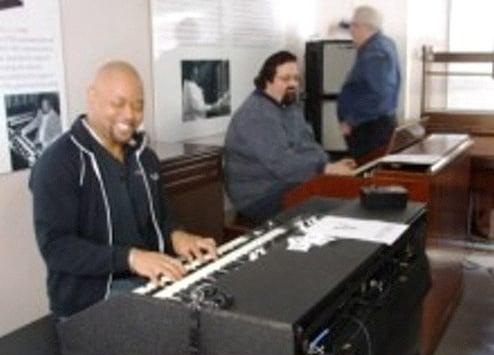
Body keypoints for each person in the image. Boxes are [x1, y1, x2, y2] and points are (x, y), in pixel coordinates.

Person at [29, 61, 217, 319]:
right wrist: (130, 258)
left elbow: (162, 217)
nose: (129, 115)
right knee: (189, 325)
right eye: (118, 104)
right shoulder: (57, 163)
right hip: (90, 300)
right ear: (91, 97)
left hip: (147, 280)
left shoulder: (145, 156)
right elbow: (57, 248)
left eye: (138, 105)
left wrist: (177, 236)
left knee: (213, 308)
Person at [224, 51, 355, 223]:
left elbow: (309, 144)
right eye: (285, 79)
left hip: (285, 184)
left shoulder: (289, 106)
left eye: (296, 78)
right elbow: (282, 163)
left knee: (346, 197)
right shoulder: (256, 115)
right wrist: (325, 169)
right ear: (267, 81)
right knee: (337, 208)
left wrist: (328, 165)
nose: (293, 84)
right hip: (259, 196)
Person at [337, 5, 401, 161]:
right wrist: (341, 25)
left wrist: (351, 121)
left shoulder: (375, 53)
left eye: (353, 26)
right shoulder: (384, 43)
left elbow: (378, 94)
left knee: (367, 177)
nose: (351, 31)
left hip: (370, 129)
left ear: (363, 27)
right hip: (375, 126)